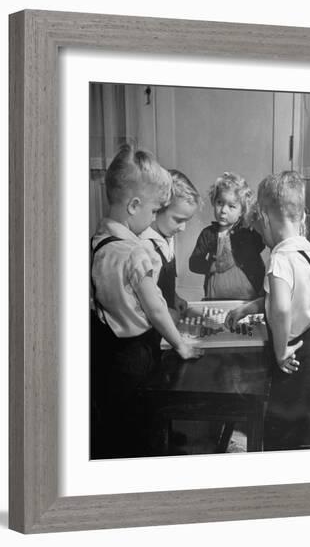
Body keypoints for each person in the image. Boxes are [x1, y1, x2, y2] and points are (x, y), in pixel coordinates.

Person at [90, 145, 202, 459]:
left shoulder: (99, 241)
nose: (154, 219)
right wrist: (180, 344)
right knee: (143, 422)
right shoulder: (136, 252)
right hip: (135, 353)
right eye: (154, 211)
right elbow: (154, 308)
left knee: (118, 422)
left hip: (106, 351)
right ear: (134, 205)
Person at [226, 171, 310, 451]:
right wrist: (250, 307)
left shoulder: (280, 260)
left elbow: (283, 308)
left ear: (264, 217)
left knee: (286, 430)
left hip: (294, 352)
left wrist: (280, 350)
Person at [189, 172, 265, 300]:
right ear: (213, 202)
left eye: (231, 206)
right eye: (220, 203)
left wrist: (252, 219)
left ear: (242, 211)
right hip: (215, 296)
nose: (223, 210)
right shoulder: (208, 234)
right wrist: (212, 266)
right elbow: (194, 263)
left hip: (247, 297)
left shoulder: (248, 233)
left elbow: (263, 242)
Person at [140, 169, 201, 317]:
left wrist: (174, 296)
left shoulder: (167, 238)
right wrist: (166, 314)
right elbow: (142, 299)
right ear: (159, 208)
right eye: (179, 220)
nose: (183, 228)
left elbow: (162, 283)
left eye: (186, 221)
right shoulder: (143, 245)